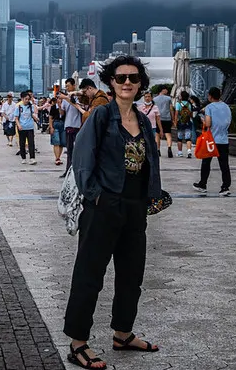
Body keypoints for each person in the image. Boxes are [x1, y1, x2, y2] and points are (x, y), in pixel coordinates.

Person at [63, 56, 162, 369]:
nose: (128, 83)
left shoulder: (143, 120)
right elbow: (81, 157)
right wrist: (94, 196)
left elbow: (150, 162)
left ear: (141, 83)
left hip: (135, 208)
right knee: (90, 275)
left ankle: (123, 333)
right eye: (121, 78)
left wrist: (152, 196)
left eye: (133, 78)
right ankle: (78, 343)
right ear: (111, 82)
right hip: (103, 205)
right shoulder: (101, 116)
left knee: (132, 275)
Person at [192, 87, 232, 196]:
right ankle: (225, 187)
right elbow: (228, 121)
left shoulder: (209, 107)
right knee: (224, 164)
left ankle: (202, 184)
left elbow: (208, 124)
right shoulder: (226, 107)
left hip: (211, 140)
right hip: (224, 140)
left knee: (206, 163)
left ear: (210, 96)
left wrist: (203, 119)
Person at [58, 78, 84, 176]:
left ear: (74, 85)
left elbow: (78, 106)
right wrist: (60, 105)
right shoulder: (65, 98)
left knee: (78, 149)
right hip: (68, 125)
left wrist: (66, 98)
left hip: (78, 126)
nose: (67, 88)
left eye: (68, 86)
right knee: (69, 150)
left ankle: (78, 171)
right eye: (66, 86)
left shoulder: (79, 96)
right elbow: (62, 113)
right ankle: (68, 170)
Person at [15, 91, 39, 165]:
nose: (27, 101)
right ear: (22, 99)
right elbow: (16, 118)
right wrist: (19, 125)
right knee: (22, 143)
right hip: (22, 127)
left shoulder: (30, 106)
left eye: (28, 99)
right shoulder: (19, 107)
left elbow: (33, 113)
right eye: (26, 99)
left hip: (30, 127)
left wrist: (35, 118)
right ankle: (23, 158)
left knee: (31, 143)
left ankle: (32, 158)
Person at [153, 87, 174, 157]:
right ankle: (169, 148)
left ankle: (158, 150)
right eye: (166, 89)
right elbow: (171, 109)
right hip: (167, 118)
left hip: (158, 118)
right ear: (163, 90)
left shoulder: (154, 99)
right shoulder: (168, 98)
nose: (167, 90)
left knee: (157, 135)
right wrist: (173, 118)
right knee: (168, 134)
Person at [174, 91, 193, 158]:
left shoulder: (178, 104)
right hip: (188, 122)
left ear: (181, 96)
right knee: (188, 138)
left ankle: (180, 152)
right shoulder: (189, 104)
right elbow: (191, 114)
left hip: (180, 122)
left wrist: (175, 122)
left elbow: (176, 114)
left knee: (179, 138)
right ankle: (189, 151)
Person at [49, 95, 66, 166]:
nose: (60, 100)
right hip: (55, 124)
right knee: (56, 142)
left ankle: (59, 157)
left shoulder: (65, 106)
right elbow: (50, 118)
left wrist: (60, 107)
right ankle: (57, 158)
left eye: (61, 98)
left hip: (63, 124)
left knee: (62, 142)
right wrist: (51, 127)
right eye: (59, 98)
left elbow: (62, 114)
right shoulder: (53, 107)